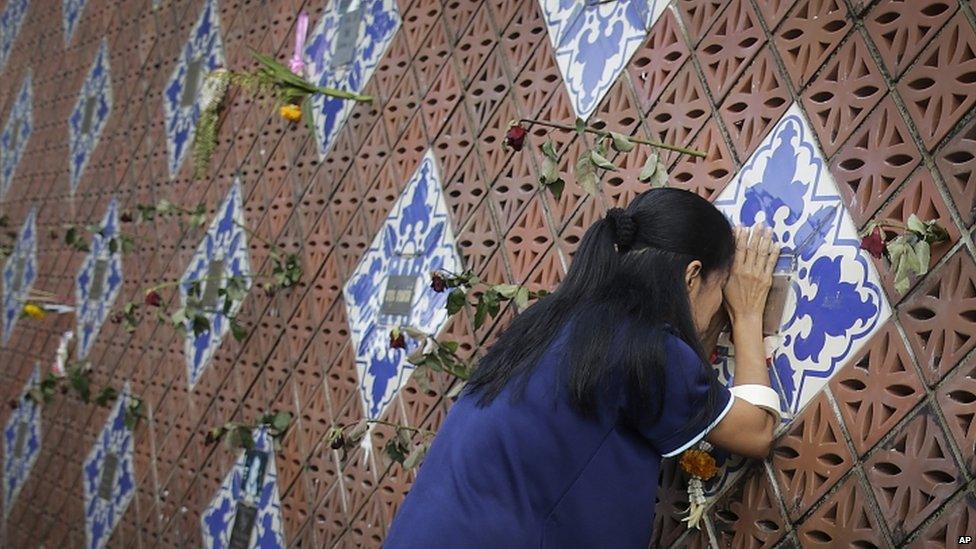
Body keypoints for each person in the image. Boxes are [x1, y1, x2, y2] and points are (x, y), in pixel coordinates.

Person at [384, 188, 781, 548]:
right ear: (692, 276)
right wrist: (745, 313)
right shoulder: (643, 345)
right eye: (721, 288)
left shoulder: (549, 320)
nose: (717, 314)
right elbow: (757, 431)